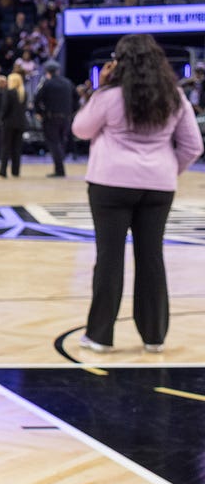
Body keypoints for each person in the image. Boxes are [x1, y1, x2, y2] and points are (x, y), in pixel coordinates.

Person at [71, 35, 203, 353]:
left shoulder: (110, 95)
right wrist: (168, 171)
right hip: (158, 187)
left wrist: (99, 89)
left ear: (119, 63)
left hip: (110, 185)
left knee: (109, 259)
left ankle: (100, 336)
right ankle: (154, 336)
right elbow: (193, 146)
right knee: (151, 258)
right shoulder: (175, 98)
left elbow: (81, 129)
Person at [34, 63, 74, 176]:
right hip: (66, 118)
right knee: (61, 142)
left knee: (54, 143)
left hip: (51, 118)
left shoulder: (47, 84)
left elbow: (37, 99)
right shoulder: (68, 83)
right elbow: (75, 97)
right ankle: (60, 168)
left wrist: (40, 113)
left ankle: (59, 170)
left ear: (48, 72)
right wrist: (71, 111)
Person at [0, 70, 27, 178]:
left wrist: (0, 119)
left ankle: (2, 172)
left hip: (8, 124)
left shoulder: (9, 92)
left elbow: (4, 109)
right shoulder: (24, 93)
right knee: (17, 148)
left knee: (5, 148)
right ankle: (15, 171)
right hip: (21, 124)